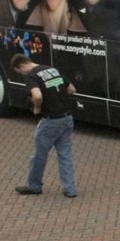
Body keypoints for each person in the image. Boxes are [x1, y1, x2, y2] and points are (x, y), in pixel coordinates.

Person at [11, 54, 78, 198]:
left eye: (20, 72)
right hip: (67, 118)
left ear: (22, 66)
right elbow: (72, 89)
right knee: (65, 155)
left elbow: (37, 96)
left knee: (39, 155)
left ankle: (34, 186)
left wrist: (37, 107)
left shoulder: (31, 76)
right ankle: (70, 189)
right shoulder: (51, 69)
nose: (22, 74)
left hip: (51, 121)